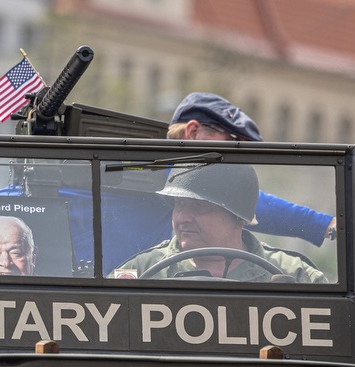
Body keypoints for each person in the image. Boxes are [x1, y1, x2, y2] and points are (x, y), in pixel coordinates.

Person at [167, 92, 336, 246]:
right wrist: (326, 224)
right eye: (231, 145)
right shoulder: (155, 169)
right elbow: (240, 199)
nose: (232, 163)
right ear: (193, 132)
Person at [112, 162, 327, 283]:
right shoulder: (140, 271)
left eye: (200, 207)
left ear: (239, 218)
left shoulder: (295, 275)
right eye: (178, 205)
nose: (182, 218)